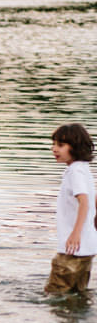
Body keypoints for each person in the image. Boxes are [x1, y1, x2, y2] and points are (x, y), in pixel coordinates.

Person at [45, 123, 97, 294]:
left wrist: (75, 233)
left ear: (75, 147)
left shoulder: (75, 172)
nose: (54, 149)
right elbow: (93, 198)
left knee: (55, 294)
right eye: (53, 144)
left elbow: (84, 201)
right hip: (87, 248)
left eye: (60, 145)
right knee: (77, 294)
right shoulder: (83, 169)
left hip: (71, 249)